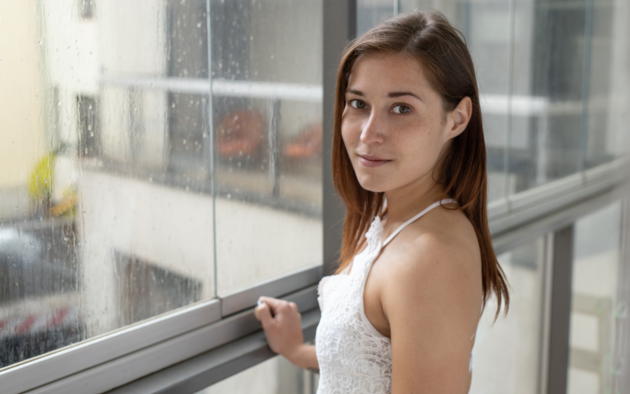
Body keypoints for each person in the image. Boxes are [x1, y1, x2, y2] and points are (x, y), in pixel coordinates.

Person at [254, 10, 510, 394]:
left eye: (401, 108)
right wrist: (298, 350)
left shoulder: (428, 258)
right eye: (358, 104)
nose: (369, 133)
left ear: (456, 120)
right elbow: (377, 360)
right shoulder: (397, 216)